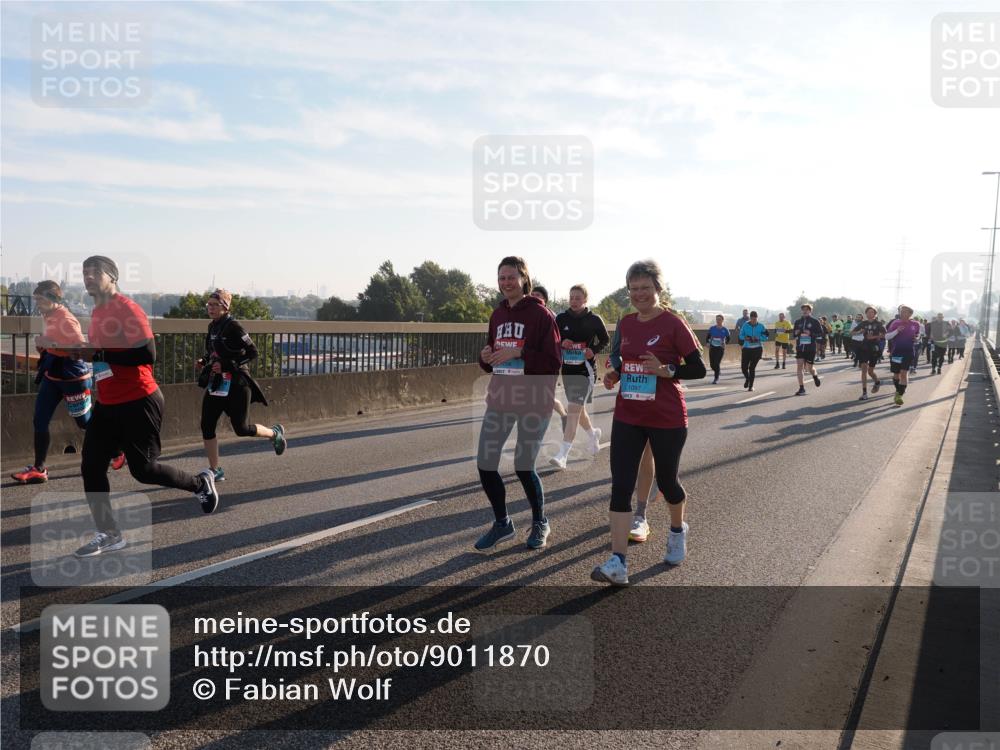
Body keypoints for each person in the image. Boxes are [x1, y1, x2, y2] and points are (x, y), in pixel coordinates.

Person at [73, 256, 220, 558]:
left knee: (145, 470)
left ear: (112, 277)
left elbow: (147, 353)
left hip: (139, 400)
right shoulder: (98, 311)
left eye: (94, 272)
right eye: (84, 273)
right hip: (108, 402)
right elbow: (103, 356)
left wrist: (101, 352)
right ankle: (110, 533)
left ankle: (199, 483)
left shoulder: (127, 309)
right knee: (90, 466)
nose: (88, 277)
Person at [592, 260, 706, 586]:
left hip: (666, 417)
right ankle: (617, 562)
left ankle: (676, 530)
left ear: (658, 289)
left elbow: (697, 369)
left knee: (668, 483)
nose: (639, 294)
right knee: (620, 485)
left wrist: (667, 370)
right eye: (634, 289)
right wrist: (615, 374)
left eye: (645, 288)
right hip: (628, 413)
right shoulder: (626, 324)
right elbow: (624, 363)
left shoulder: (673, 324)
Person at [475, 257, 561, 552]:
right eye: (501, 278)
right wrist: (486, 357)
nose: (505, 283)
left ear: (524, 279)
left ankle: (540, 522)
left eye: (511, 277)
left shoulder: (542, 315)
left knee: (524, 466)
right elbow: (493, 361)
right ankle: (503, 523)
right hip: (500, 399)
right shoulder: (497, 314)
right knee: (485, 463)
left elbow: (553, 362)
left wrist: (520, 351)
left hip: (533, 401)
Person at [11, 282, 125, 484]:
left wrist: (51, 344)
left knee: (85, 423)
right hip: (53, 374)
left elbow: (80, 348)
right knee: (40, 419)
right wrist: (44, 347)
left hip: (73, 377)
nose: (36, 304)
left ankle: (116, 451)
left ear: (53, 300)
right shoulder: (47, 315)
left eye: (40, 300)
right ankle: (39, 469)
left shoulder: (66, 319)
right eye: (35, 299)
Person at [198, 289, 286, 482]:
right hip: (218, 383)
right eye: (208, 305)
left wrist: (229, 364)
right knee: (207, 425)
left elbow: (252, 353)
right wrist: (204, 361)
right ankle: (216, 470)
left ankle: (274, 433)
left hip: (238, 383)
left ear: (225, 307)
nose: (210, 308)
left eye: (214, 305)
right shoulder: (212, 327)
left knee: (242, 428)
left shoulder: (234, 327)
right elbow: (213, 352)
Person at [549, 284, 609, 470]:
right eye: (571, 297)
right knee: (578, 409)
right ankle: (593, 434)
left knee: (573, 408)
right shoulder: (561, 318)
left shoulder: (594, 319)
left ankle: (563, 454)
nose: (574, 301)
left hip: (586, 371)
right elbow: (552, 340)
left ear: (585, 300)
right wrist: (561, 343)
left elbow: (605, 339)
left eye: (578, 298)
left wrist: (594, 350)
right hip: (568, 370)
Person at [530, 285, 569, 432]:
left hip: (548, 363)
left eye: (538, 295)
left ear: (544, 300)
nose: (534, 297)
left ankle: (563, 415)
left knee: (545, 397)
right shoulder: (527, 315)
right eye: (532, 294)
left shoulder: (551, 316)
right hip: (532, 363)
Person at [885, 305, 922, 407]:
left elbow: (918, 336)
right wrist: (897, 331)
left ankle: (899, 396)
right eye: (901, 311)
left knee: (903, 373)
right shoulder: (895, 323)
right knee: (896, 374)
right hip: (896, 352)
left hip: (908, 352)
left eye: (905, 311)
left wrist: (917, 339)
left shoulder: (915, 324)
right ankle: (898, 390)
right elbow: (887, 336)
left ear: (910, 314)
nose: (902, 313)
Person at [853, 306, 885, 401]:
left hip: (874, 348)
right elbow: (852, 333)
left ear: (875, 314)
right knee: (863, 369)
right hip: (864, 347)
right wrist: (860, 331)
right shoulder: (863, 323)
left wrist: (875, 337)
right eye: (868, 312)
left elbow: (884, 335)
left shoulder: (878, 324)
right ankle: (864, 393)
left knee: (870, 372)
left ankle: (877, 381)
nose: (870, 314)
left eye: (872, 312)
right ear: (866, 314)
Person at [792, 303, 824, 395]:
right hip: (800, 347)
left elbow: (820, 334)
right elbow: (794, 334)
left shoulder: (815, 321)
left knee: (810, 368)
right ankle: (802, 388)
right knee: (799, 367)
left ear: (810, 311)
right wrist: (796, 333)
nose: (805, 311)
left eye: (807, 309)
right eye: (803, 310)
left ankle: (815, 376)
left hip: (810, 348)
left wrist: (810, 333)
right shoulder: (798, 322)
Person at [738, 311, 769, 391]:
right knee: (744, 368)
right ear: (750, 318)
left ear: (757, 318)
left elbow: (766, 337)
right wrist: (745, 338)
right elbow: (740, 336)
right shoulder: (745, 325)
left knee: (752, 368)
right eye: (752, 319)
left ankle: (751, 386)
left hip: (757, 349)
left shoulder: (761, 326)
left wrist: (758, 338)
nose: (753, 321)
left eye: (755, 319)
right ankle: (747, 379)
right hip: (747, 349)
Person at [705, 314, 730, 383]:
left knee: (716, 363)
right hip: (712, 347)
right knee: (712, 365)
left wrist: (725, 343)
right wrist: (707, 342)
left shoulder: (725, 329)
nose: (718, 321)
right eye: (717, 319)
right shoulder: (712, 328)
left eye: (719, 319)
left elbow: (728, 338)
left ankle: (716, 378)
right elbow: (708, 337)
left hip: (720, 348)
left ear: (722, 320)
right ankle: (718, 371)